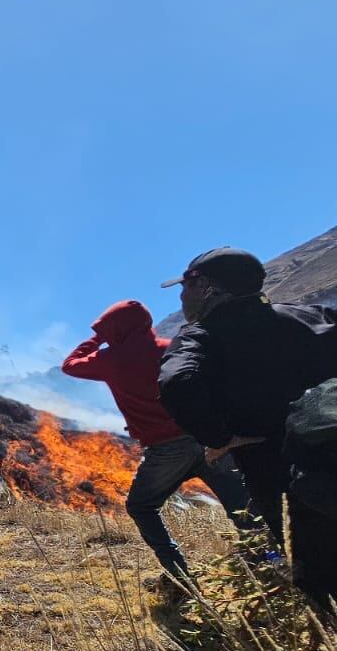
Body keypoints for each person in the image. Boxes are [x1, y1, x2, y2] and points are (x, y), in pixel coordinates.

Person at [157, 247, 337, 617]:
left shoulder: (201, 337)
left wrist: (220, 438)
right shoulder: (312, 317)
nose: (181, 295)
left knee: (324, 582)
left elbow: (177, 382)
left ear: (206, 287)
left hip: (287, 484)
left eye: (186, 285)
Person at [61, 298, 253, 579]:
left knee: (141, 506)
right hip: (208, 440)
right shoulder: (170, 348)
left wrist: (97, 338)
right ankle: (268, 562)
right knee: (242, 507)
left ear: (115, 329)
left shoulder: (110, 359)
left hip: (165, 450)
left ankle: (178, 575)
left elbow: (70, 365)